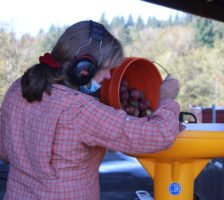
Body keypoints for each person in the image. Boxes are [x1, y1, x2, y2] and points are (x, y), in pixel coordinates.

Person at [0, 20, 180, 199]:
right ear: (83, 68)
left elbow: (5, 153)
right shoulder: (79, 109)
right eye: (106, 68)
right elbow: (160, 134)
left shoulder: (18, 88)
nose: (109, 76)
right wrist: (165, 99)